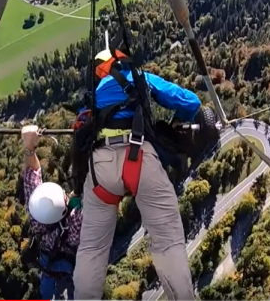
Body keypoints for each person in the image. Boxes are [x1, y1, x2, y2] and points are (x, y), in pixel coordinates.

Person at [73, 48, 216, 300]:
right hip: (139, 157)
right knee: (168, 241)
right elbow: (190, 103)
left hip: (100, 168)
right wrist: (175, 125)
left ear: (99, 71)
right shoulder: (140, 78)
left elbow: (80, 137)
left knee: (92, 249)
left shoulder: (93, 98)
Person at [22, 125, 83, 301]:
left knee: (47, 292)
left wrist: (29, 146)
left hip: (48, 267)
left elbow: (32, 175)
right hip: (70, 269)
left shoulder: (36, 215)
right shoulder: (75, 219)